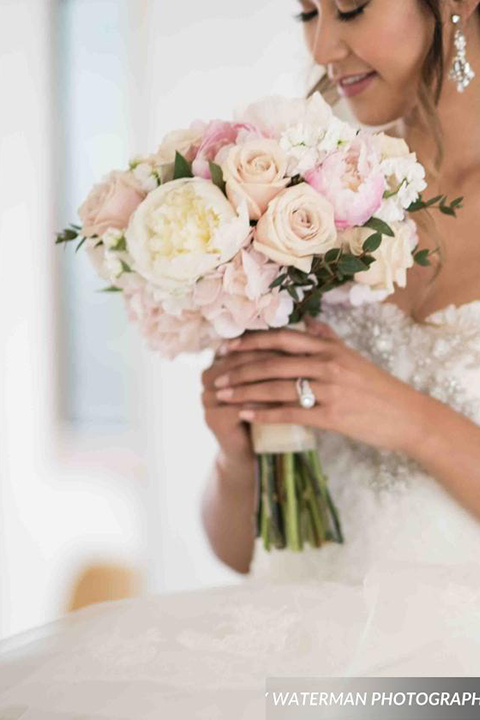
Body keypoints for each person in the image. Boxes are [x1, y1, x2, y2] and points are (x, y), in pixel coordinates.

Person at [2, 1, 480, 717]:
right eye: (307, 12)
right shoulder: (325, 191)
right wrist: (239, 453)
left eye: (350, 7)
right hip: (297, 639)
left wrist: (409, 419)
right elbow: (241, 548)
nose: (323, 46)